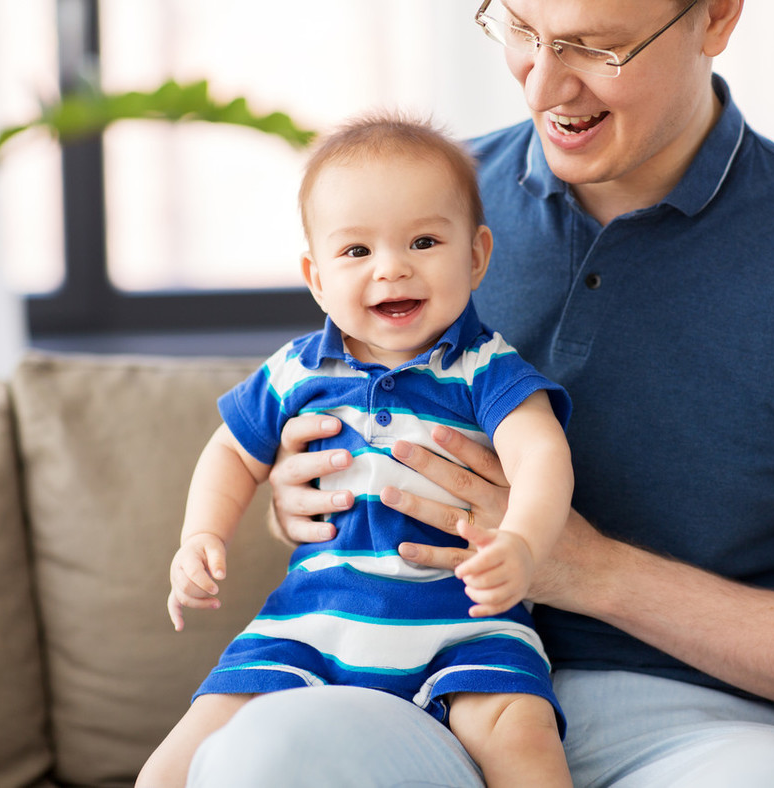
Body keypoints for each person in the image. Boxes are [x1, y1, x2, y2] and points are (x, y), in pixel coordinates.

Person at [185, 1, 774, 787]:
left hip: (706, 729)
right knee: (264, 754)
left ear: (718, 19)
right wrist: (309, 491)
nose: (543, 84)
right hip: (416, 690)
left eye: (597, 47)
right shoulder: (421, 208)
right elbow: (321, 409)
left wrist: (587, 569)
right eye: (521, 30)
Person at [136, 115, 575, 788]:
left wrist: (522, 542)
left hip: (462, 627)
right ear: (315, 276)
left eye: (423, 241)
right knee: (169, 770)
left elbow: (542, 456)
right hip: (310, 625)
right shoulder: (295, 371)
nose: (392, 268)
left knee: (523, 738)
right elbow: (231, 453)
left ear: (477, 255)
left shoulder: (484, 369)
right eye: (356, 252)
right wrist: (201, 534)